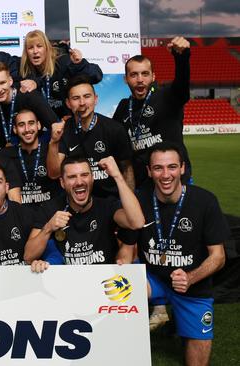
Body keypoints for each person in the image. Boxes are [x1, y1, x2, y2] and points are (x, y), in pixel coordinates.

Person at [117, 142, 228, 366]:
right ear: (149, 171)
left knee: (198, 358)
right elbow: (127, 249)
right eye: (158, 168)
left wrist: (191, 277)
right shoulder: (139, 200)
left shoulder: (205, 201)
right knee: (118, 291)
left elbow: (219, 256)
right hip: (153, 279)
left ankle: (182, 319)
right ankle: (121, 342)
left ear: (183, 168)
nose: (165, 175)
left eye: (172, 167)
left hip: (192, 283)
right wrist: (124, 266)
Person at [28, 156, 144, 267]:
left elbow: (137, 222)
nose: (79, 182)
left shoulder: (107, 206)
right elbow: (28, 256)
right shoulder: (50, 208)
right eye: (72, 177)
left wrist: (117, 176)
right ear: (62, 183)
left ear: (92, 178)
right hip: (68, 281)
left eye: (84, 175)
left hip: (103, 280)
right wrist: (48, 228)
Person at [112, 36, 193, 188]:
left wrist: (182, 57)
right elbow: (112, 137)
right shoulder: (123, 107)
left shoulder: (168, 96)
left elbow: (182, 84)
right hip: (142, 187)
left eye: (145, 73)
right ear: (126, 79)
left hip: (174, 181)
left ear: (153, 76)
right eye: (134, 75)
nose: (140, 79)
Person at [46, 75, 134, 198]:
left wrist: (128, 200)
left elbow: (127, 169)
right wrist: (54, 142)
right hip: (77, 201)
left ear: (95, 99)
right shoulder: (63, 131)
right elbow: (54, 173)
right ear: (68, 103)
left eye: (87, 96)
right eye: (76, 98)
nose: (82, 103)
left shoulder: (115, 129)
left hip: (111, 200)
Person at [19, 29, 103, 118]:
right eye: (30, 48)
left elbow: (96, 75)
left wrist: (79, 64)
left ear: (47, 48)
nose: (35, 51)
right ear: (26, 52)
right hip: (42, 125)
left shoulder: (63, 62)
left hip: (69, 121)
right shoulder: (24, 71)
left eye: (39, 46)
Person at [0, 61, 58, 148]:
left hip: (38, 149)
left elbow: (56, 126)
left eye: (3, 83)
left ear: (10, 81)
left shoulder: (29, 96)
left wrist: (37, 144)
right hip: (8, 153)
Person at [0, 109, 61, 205]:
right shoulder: (5, 155)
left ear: (38, 125)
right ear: (15, 129)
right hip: (22, 214)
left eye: (31, 123)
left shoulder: (50, 149)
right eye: (21, 125)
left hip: (50, 212)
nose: (27, 129)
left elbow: (57, 174)